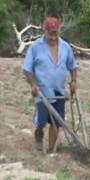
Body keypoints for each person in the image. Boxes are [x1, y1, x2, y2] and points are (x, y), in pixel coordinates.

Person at [23, 16, 78, 153]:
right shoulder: (35, 47)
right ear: (45, 31)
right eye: (50, 34)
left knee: (57, 122)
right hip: (42, 91)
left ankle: (50, 150)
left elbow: (73, 66)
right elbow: (27, 69)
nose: (53, 38)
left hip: (59, 90)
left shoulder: (65, 47)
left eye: (55, 34)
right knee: (42, 120)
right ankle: (39, 132)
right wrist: (33, 84)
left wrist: (74, 81)